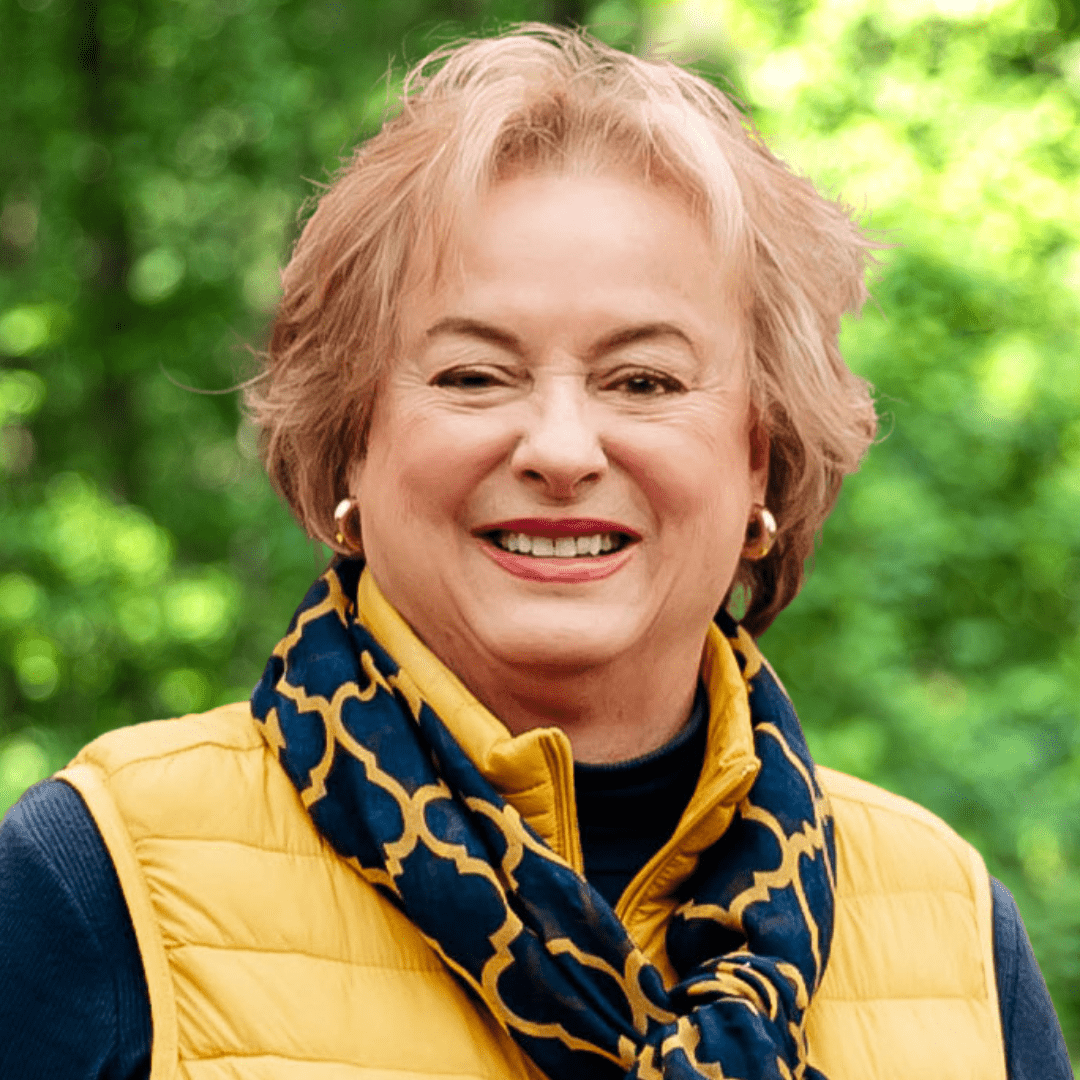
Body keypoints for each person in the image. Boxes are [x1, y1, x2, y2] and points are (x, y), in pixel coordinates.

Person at [0, 23, 1071, 1080]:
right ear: (349, 449)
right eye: (473, 375)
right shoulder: (100, 883)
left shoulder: (955, 924)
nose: (561, 450)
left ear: (762, 459)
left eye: (643, 380)